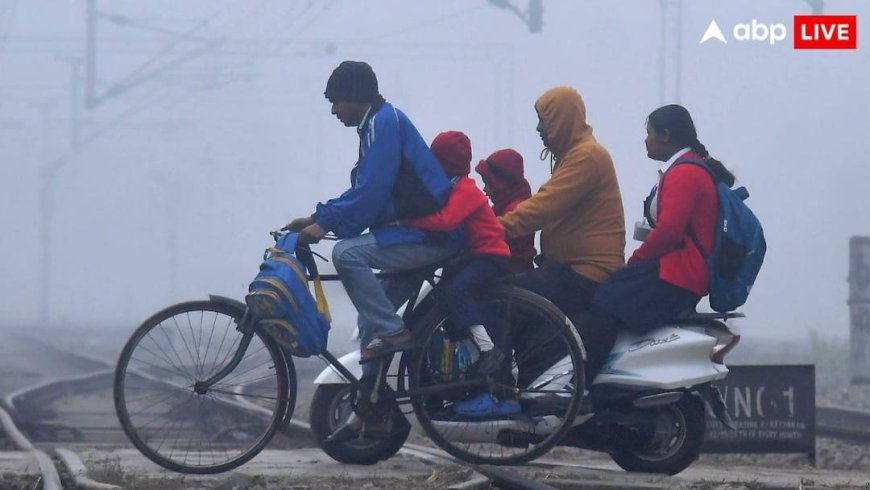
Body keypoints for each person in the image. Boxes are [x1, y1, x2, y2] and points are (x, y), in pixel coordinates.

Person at [283, 61, 459, 440]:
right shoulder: (376, 125)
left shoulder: (384, 124)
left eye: (335, 102)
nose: (333, 111)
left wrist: (323, 226)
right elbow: (365, 192)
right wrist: (318, 216)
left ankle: (394, 333)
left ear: (355, 97)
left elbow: (370, 194)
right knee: (370, 322)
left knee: (347, 254)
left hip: (427, 236)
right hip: (409, 234)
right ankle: (372, 411)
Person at [497, 86, 625, 388]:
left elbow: (543, 206)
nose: (539, 128)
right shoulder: (572, 156)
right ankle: (530, 388)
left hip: (583, 273)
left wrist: (489, 231)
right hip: (569, 270)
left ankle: (498, 382)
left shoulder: (587, 157)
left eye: (544, 120)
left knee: (497, 298)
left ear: (562, 119)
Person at [401, 131, 518, 417]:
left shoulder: (465, 189)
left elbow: (446, 221)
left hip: (490, 257)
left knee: (457, 292)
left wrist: (409, 221)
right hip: (476, 256)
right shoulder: (454, 187)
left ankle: (488, 350)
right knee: (440, 301)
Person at [591, 104, 734, 337]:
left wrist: (635, 261)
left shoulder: (684, 173)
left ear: (665, 135)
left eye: (649, 133)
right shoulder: (691, 167)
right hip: (684, 272)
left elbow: (669, 231)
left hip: (680, 274)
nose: (646, 140)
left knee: (604, 303)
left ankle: (586, 371)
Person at [474, 149, 535, 273]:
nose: (484, 190)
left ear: (499, 184)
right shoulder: (504, 205)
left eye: (487, 183)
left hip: (510, 274)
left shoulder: (515, 210)